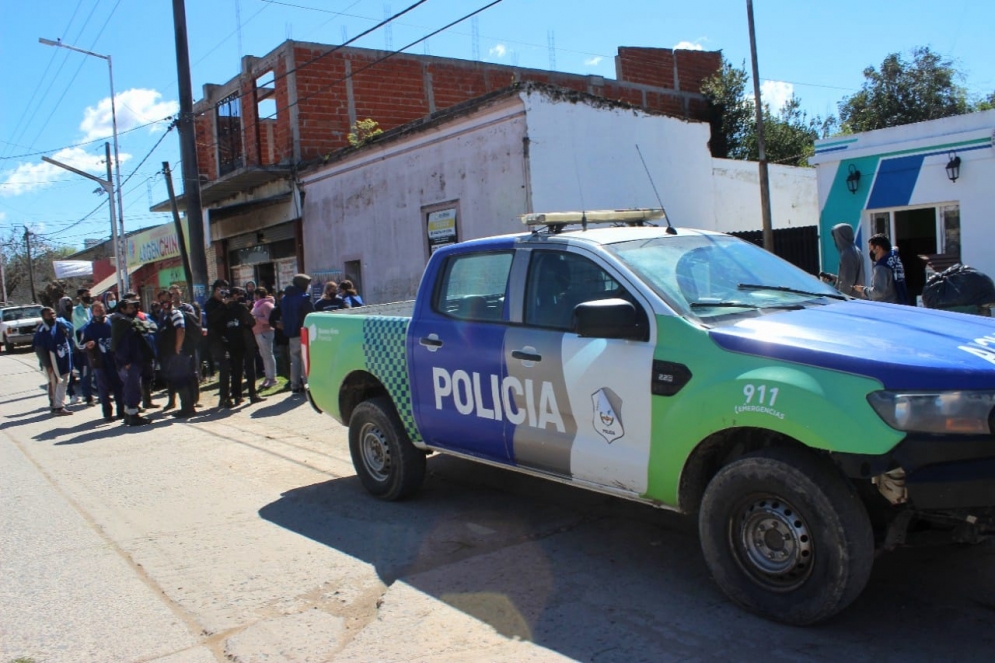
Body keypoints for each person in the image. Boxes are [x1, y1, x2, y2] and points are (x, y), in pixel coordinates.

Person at [111, 295, 156, 426]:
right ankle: (133, 416)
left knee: (130, 388)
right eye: (130, 307)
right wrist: (126, 362)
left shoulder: (127, 321)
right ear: (122, 309)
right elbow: (120, 345)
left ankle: (128, 415)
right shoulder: (122, 323)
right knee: (133, 389)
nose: (133, 309)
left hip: (133, 360)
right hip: (129, 362)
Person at [158, 292, 201, 418]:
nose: (164, 303)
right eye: (161, 300)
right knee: (181, 379)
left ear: (171, 299)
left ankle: (187, 408)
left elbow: (181, 329)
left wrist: (178, 347)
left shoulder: (175, 313)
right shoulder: (165, 315)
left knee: (181, 379)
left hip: (179, 353)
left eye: (166, 299)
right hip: (174, 353)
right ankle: (188, 407)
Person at [81, 301, 124, 422]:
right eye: (96, 310)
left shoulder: (111, 323)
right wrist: (88, 345)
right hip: (99, 362)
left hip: (114, 360)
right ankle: (107, 413)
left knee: (118, 386)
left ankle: (121, 411)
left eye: (101, 309)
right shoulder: (89, 327)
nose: (99, 312)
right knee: (103, 388)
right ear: (92, 312)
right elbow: (81, 345)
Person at [33, 306, 75, 416]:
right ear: (43, 317)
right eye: (49, 315)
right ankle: (58, 406)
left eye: (53, 314)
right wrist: (47, 365)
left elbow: (70, 330)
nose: (52, 316)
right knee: (55, 382)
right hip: (53, 362)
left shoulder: (59, 324)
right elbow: (39, 349)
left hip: (63, 357)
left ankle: (56, 404)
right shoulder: (42, 331)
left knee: (63, 380)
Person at [855, 233, 910, 305]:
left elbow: (878, 292)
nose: (870, 253)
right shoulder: (894, 260)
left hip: (886, 306)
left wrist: (863, 290)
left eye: (871, 249)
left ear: (878, 248)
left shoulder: (881, 267)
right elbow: (895, 248)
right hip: (899, 303)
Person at [281, 274, 314, 393]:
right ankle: (306, 384)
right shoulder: (303, 298)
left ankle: (294, 385)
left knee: (294, 359)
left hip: (291, 332)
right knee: (305, 358)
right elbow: (311, 314)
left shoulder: (285, 298)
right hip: (303, 331)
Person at [205, 279, 235, 408]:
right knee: (224, 365)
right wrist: (223, 305)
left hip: (229, 337)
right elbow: (213, 318)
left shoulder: (227, 301)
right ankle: (224, 397)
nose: (224, 292)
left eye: (226, 289)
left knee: (231, 366)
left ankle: (233, 394)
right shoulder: (210, 303)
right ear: (216, 290)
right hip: (216, 339)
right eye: (221, 289)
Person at [820, 223, 864, 298]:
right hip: (858, 297)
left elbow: (848, 282)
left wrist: (839, 297)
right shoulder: (857, 250)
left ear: (840, 237)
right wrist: (836, 279)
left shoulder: (847, 254)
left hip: (849, 300)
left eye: (835, 237)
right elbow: (851, 277)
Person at [251, 287, 278, 388]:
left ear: (258, 294)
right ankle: (268, 376)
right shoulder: (257, 304)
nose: (254, 296)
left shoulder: (267, 304)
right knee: (264, 355)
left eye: (255, 294)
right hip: (258, 332)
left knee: (268, 354)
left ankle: (272, 378)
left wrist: (257, 319)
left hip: (265, 332)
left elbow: (269, 320)